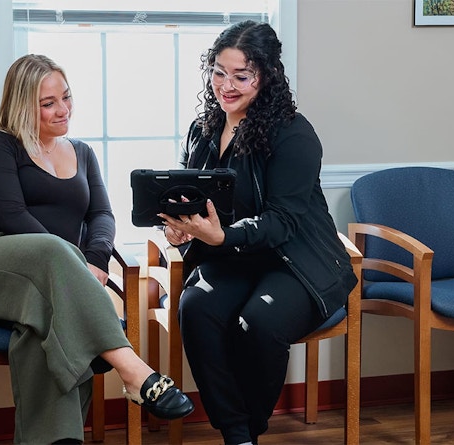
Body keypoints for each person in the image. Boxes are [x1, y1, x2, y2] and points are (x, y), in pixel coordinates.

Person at [0, 53, 193, 444]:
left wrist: (93, 260)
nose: (63, 109)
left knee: (42, 327)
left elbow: (102, 216)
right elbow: (12, 218)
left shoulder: (81, 152)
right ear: (21, 104)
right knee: (51, 253)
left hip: (54, 281)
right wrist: (76, 262)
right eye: (48, 103)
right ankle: (133, 370)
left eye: (66, 97)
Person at [158, 21, 358, 445]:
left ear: (265, 76)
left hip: (293, 260)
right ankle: (236, 432)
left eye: (240, 76)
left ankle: (249, 430)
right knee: (195, 309)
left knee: (259, 322)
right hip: (231, 257)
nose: (225, 85)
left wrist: (218, 238)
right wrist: (183, 232)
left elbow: (282, 221)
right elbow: (196, 204)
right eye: (218, 72)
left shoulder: (294, 135)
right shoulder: (203, 130)